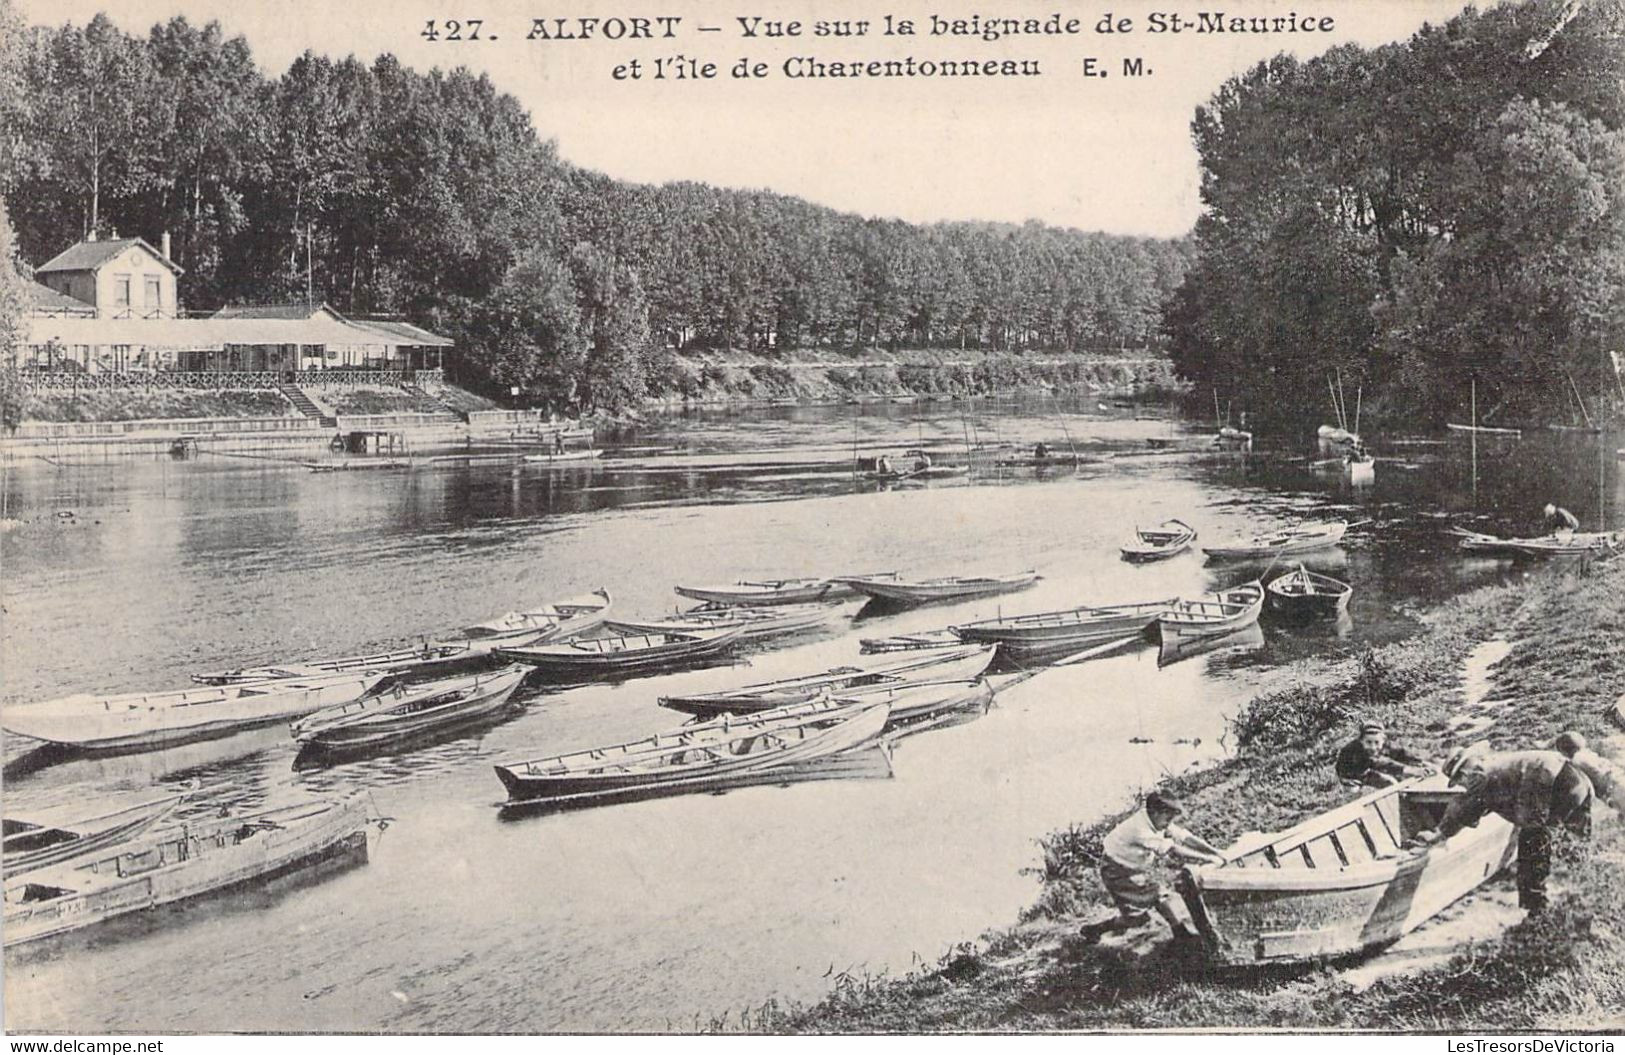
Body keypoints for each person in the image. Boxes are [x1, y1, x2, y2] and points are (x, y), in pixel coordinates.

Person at [1409, 744, 1593, 914]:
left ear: (1463, 773)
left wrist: (1439, 834)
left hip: (1554, 782)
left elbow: (1468, 806)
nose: (1463, 786)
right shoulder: (1498, 764)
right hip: (1578, 782)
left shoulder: (1479, 774)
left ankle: (1537, 912)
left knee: (1531, 842)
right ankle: (1589, 893)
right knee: (1575, 844)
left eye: (1459, 783)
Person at [1078, 792, 1225, 944]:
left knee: (1160, 895)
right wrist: (1207, 858)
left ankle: (1181, 935)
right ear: (1155, 813)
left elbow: (1184, 837)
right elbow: (1173, 849)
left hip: (1132, 866)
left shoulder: (1154, 818)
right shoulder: (1140, 830)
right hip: (1116, 871)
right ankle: (1095, 929)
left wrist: (1216, 851)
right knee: (1138, 918)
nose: (1169, 823)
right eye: (1167, 819)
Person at [1335, 721, 1431, 788]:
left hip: (1369, 769)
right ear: (1361, 741)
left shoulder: (1385, 744)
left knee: (1402, 777)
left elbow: (1401, 753)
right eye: (1368, 742)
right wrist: (1408, 770)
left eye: (1377, 743)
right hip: (1352, 775)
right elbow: (1379, 763)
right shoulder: (1354, 750)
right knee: (1390, 782)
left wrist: (1422, 762)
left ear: (1383, 740)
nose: (1373, 747)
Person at [1554, 731, 1624, 812]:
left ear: (1564, 752)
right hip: (1619, 779)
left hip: (1614, 790)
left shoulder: (1575, 761)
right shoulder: (1589, 754)